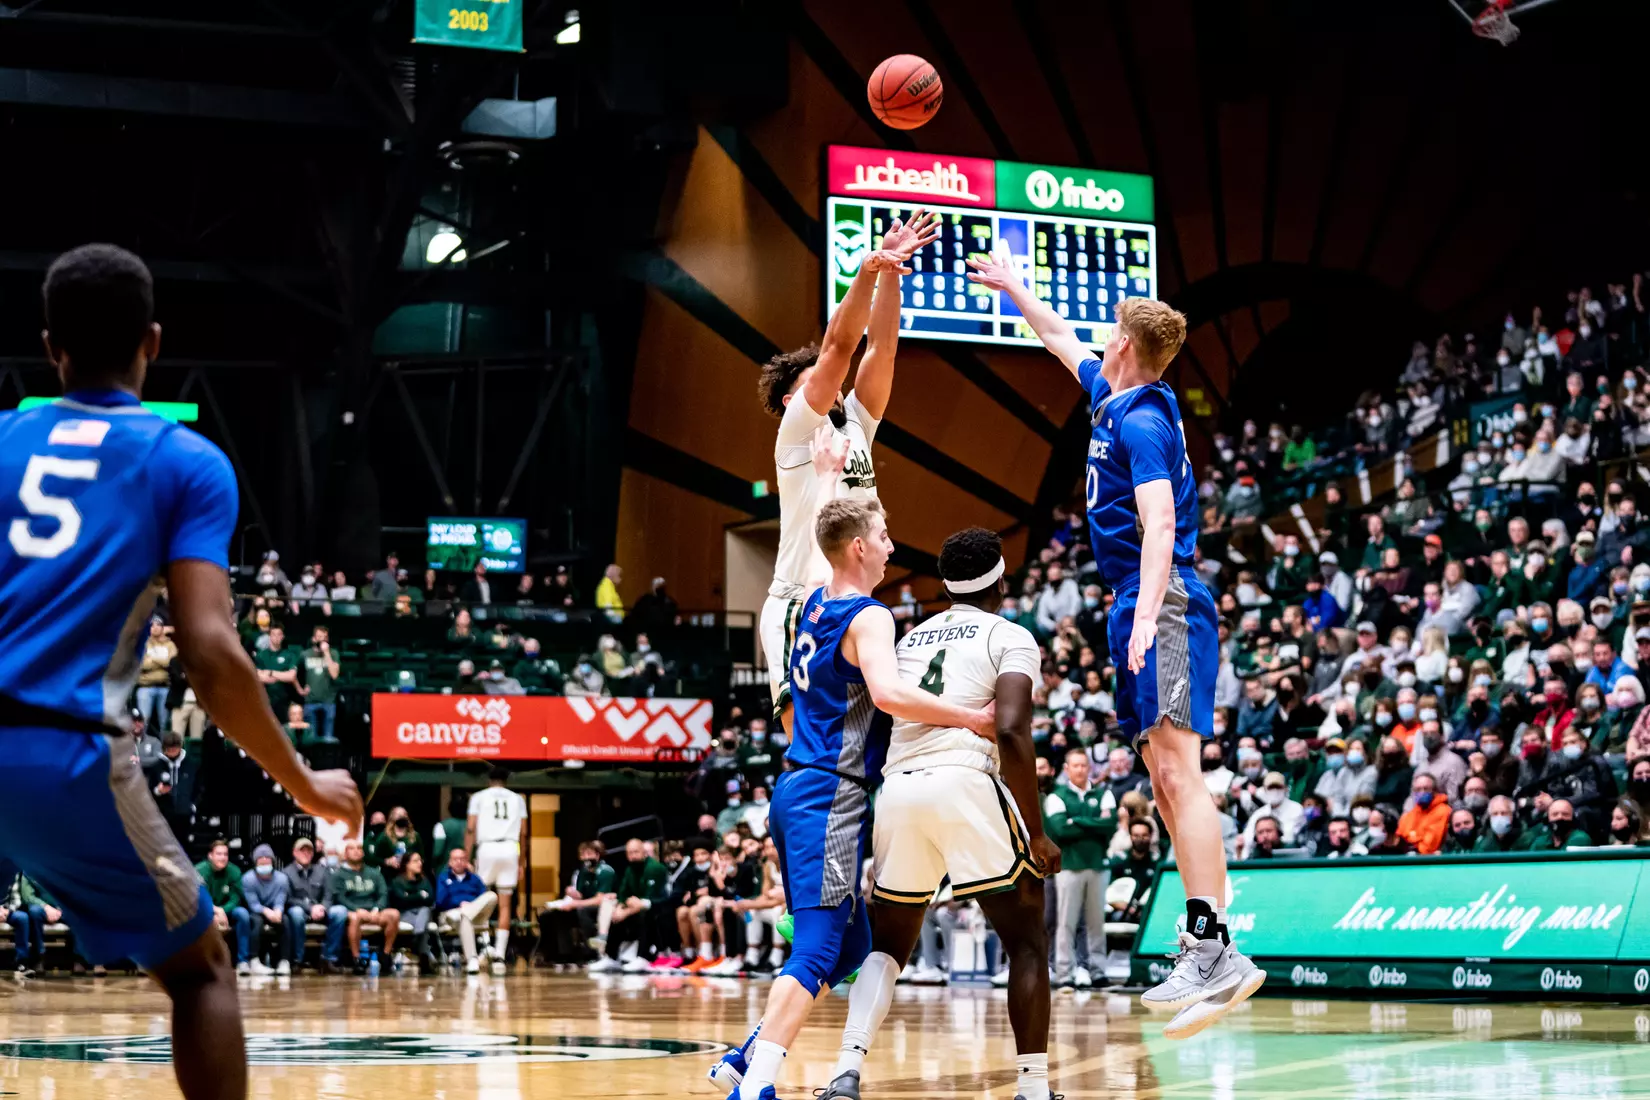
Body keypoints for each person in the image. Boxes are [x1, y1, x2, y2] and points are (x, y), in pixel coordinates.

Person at [969, 251, 1263, 1039]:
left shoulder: (1142, 420)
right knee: (1163, 780)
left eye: (1109, 336)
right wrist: (1014, 288)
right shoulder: (1111, 395)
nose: (1097, 342)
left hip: (1159, 598)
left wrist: (1146, 613)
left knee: (1177, 768)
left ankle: (1216, 947)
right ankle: (1208, 949)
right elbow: (1061, 339)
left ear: (1127, 348)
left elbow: (1161, 522)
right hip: (1137, 598)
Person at [712, 498, 995, 1100]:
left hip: (799, 789)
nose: (892, 546)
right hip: (828, 795)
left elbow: (821, 539)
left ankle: (744, 1057)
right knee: (817, 950)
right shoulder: (871, 618)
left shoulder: (814, 600)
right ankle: (755, 1085)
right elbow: (889, 696)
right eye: (885, 535)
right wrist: (971, 718)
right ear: (860, 548)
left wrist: (823, 473)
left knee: (855, 945)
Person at [804, 526, 1059, 1100]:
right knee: (1025, 942)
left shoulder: (908, 638)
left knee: (887, 947)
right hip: (965, 779)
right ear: (1001, 580)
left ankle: (845, 1071)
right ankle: (1034, 1089)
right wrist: (1036, 834)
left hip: (899, 789)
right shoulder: (1010, 636)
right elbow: (1012, 730)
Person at [754, 219, 936, 739]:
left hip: (851, 597)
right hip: (799, 599)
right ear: (792, 399)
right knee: (806, 740)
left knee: (859, 737)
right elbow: (839, 347)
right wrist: (867, 270)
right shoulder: (797, 433)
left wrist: (893, 275)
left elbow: (881, 349)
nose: (831, 386)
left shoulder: (854, 424)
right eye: (815, 382)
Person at [466, 766, 528, 975]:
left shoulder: (478, 797)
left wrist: (467, 856)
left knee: (482, 900)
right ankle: (500, 954)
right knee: (505, 905)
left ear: (489, 780)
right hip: (510, 848)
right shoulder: (517, 798)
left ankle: (484, 947)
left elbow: (471, 828)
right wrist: (521, 861)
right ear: (506, 780)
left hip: (487, 847)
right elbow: (525, 832)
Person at [325, 840, 399, 974]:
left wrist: (376, 909)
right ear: (345, 854)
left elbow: (383, 893)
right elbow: (339, 897)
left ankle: (386, 955)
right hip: (353, 911)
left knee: (394, 914)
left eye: (359, 848)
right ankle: (357, 959)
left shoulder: (374, 872)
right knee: (355, 917)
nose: (356, 851)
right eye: (351, 848)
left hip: (373, 911)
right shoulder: (338, 874)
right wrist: (357, 909)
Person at [434, 847, 499, 974]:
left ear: (466, 862)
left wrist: (471, 906)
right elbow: (439, 902)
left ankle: (473, 960)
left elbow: (483, 900)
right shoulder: (443, 878)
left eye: (462, 859)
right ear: (450, 862)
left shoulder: (475, 879)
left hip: (475, 913)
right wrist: (459, 903)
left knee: (492, 896)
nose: (458, 862)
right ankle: (472, 958)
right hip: (451, 913)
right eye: (455, 859)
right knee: (464, 915)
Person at [195, 840, 255, 974]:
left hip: (227, 909)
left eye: (225, 854)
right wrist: (214, 911)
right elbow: (199, 898)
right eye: (219, 854)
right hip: (205, 909)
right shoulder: (199, 871)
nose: (222, 857)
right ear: (210, 856)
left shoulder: (234, 871)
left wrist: (223, 910)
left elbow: (236, 898)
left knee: (243, 914)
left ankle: (243, 961)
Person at [238, 845, 288, 974]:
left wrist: (278, 910)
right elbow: (253, 903)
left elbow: (280, 898)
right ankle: (254, 960)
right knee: (256, 922)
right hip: (256, 911)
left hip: (274, 910)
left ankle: (284, 960)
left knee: (286, 920)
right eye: (261, 858)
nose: (265, 860)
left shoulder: (282, 879)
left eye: (268, 858)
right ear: (255, 862)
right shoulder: (248, 879)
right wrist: (266, 911)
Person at [281, 837, 328, 974]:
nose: (306, 854)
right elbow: (288, 899)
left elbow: (328, 894)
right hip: (299, 910)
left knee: (339, 912)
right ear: (294, 853)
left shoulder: (322, 871)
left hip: (320, 910)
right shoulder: (286, 873)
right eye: (302, 851)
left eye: (309, 851)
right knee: (296, 914)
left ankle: (329, 959)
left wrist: (323, 907)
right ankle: (297, 959)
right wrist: (309, 908)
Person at [387, 852, 438, 973]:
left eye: (420, 860)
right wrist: (420, 895)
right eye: (415, 861)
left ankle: (417, 939)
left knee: (425, 911)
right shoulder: (397, 882)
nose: (420, 863)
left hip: (422, 913)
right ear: (407, 864)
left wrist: (410, 896)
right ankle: (424, 954)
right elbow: (401, 900)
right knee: (423, 921)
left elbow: (430, 899)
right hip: (405, 914)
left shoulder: (424, 880)